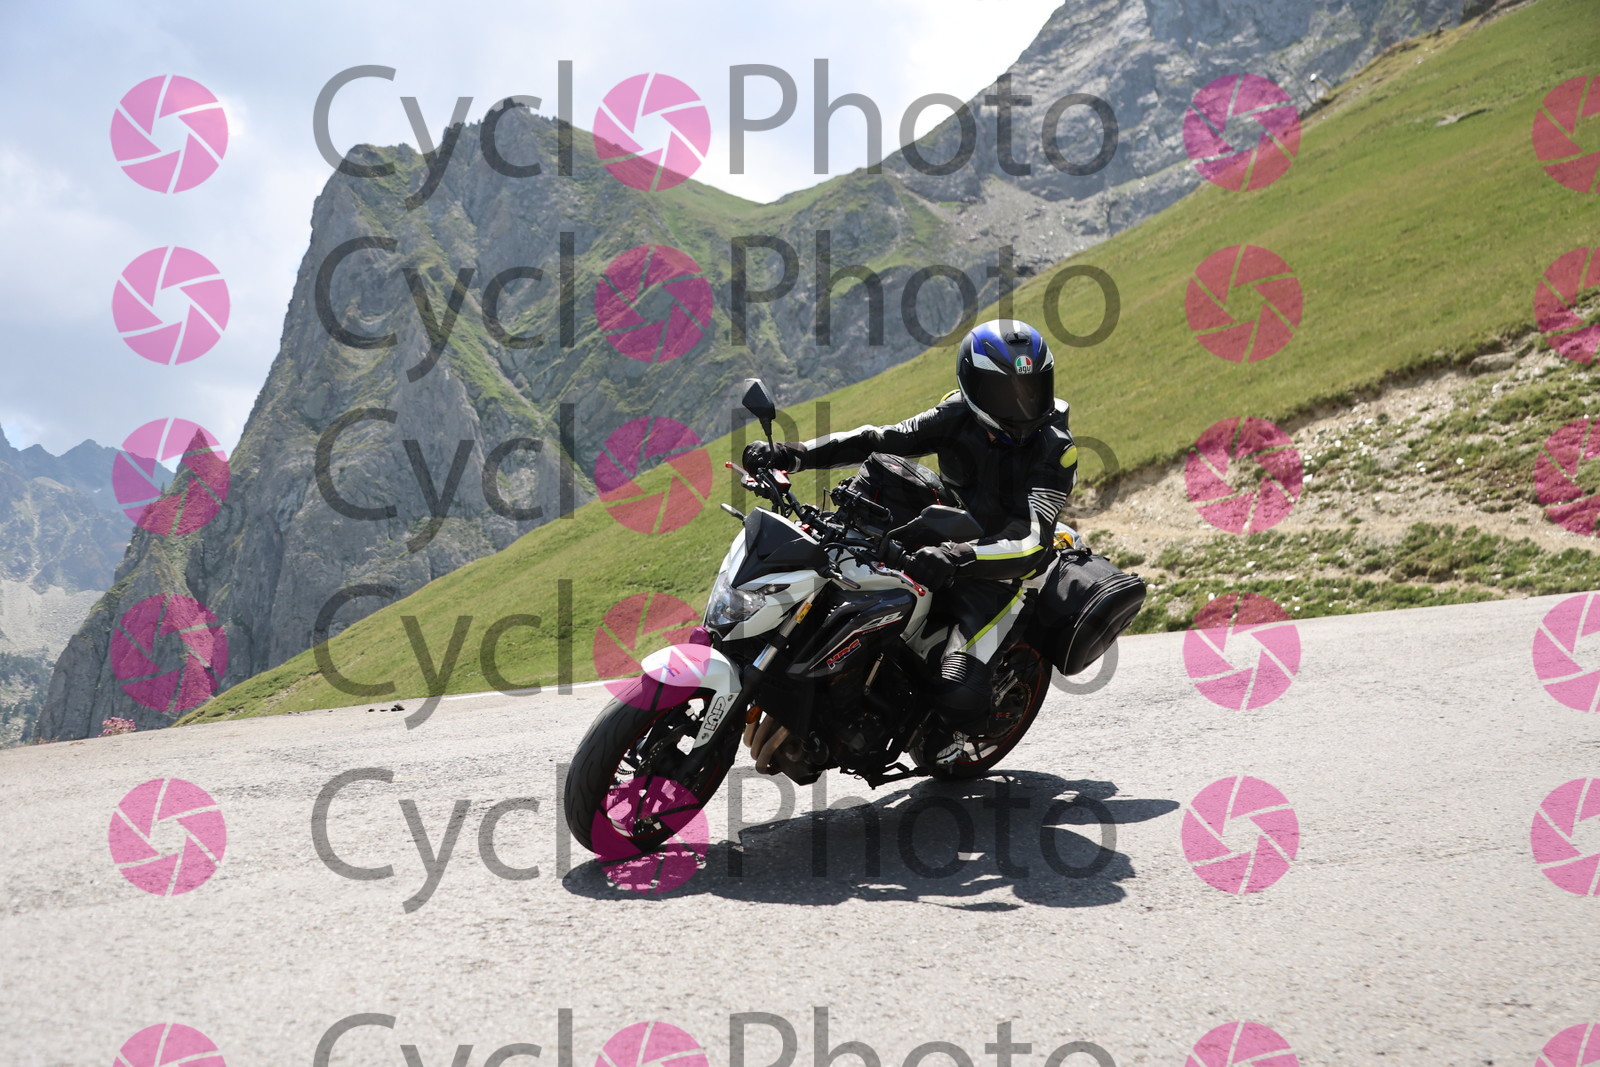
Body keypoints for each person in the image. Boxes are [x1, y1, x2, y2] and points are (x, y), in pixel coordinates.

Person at [742, 318, 1078, 753]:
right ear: (974, 387)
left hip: (1002, 574)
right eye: (1005, 392)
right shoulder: (957, 415)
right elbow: (876, 439)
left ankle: (944, 737)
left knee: (957, 693)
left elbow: (1031, 541)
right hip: (948, 535)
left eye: (1032, 389)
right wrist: (793, 455)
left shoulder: (1055, 448)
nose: (1022, 405)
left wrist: (959, 556)